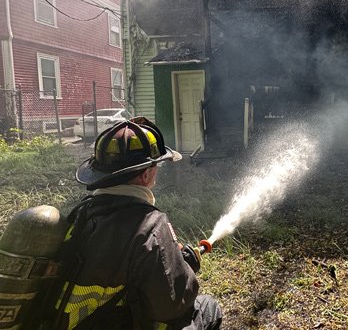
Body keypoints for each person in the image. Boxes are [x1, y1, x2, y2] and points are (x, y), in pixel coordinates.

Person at [47, 117, 222, 330]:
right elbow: (171, 306)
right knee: (208, 308)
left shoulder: (81, 214)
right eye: (156, 165)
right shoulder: (150, 226)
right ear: (146, 173)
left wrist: (173, 259)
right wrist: (185, 269)